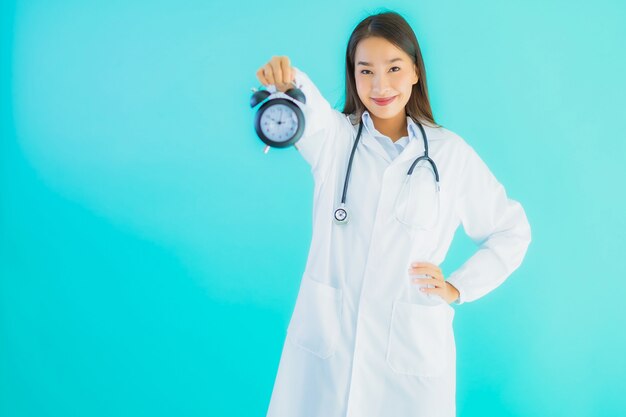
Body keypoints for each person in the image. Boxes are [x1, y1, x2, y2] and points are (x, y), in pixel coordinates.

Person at [256, 10, 531, 417]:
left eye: (394, 68)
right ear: (353, 76)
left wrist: (458, 287)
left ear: (416, 72)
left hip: (408, 359)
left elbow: (511, 231)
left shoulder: (449, 154)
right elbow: (306, 106)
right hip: (326, 353)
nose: (380, 85)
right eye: (365, 71)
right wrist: (287, 80)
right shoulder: (333, 139)